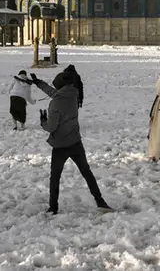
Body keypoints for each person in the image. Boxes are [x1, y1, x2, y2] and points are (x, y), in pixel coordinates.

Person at [30, 70, 112, 214]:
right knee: (87, 172)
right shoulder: (73, 94)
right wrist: (39, 83)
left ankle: (53, 207)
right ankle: (100, 201)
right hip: (75, 142)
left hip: (60, 145)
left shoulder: (55, 104)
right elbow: (55, 93)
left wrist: (43, 121)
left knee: (55, 177)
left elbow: (51, 127)